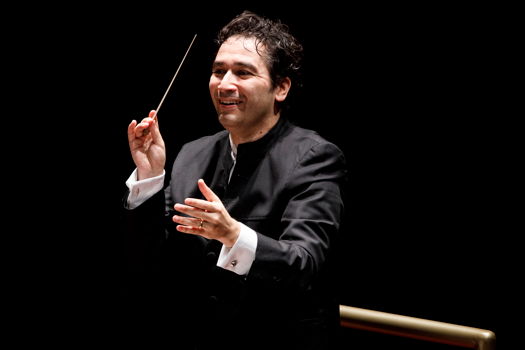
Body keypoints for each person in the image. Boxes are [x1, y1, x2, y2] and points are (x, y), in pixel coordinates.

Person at [121, 10, 348, 350]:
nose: (225, 83)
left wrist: (234, 235)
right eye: (218, 71)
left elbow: (305, 263)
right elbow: (149, 261)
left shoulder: (314, 156)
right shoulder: (191, 154)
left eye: (242, 72)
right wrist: (150, 178)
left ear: (281, 87)